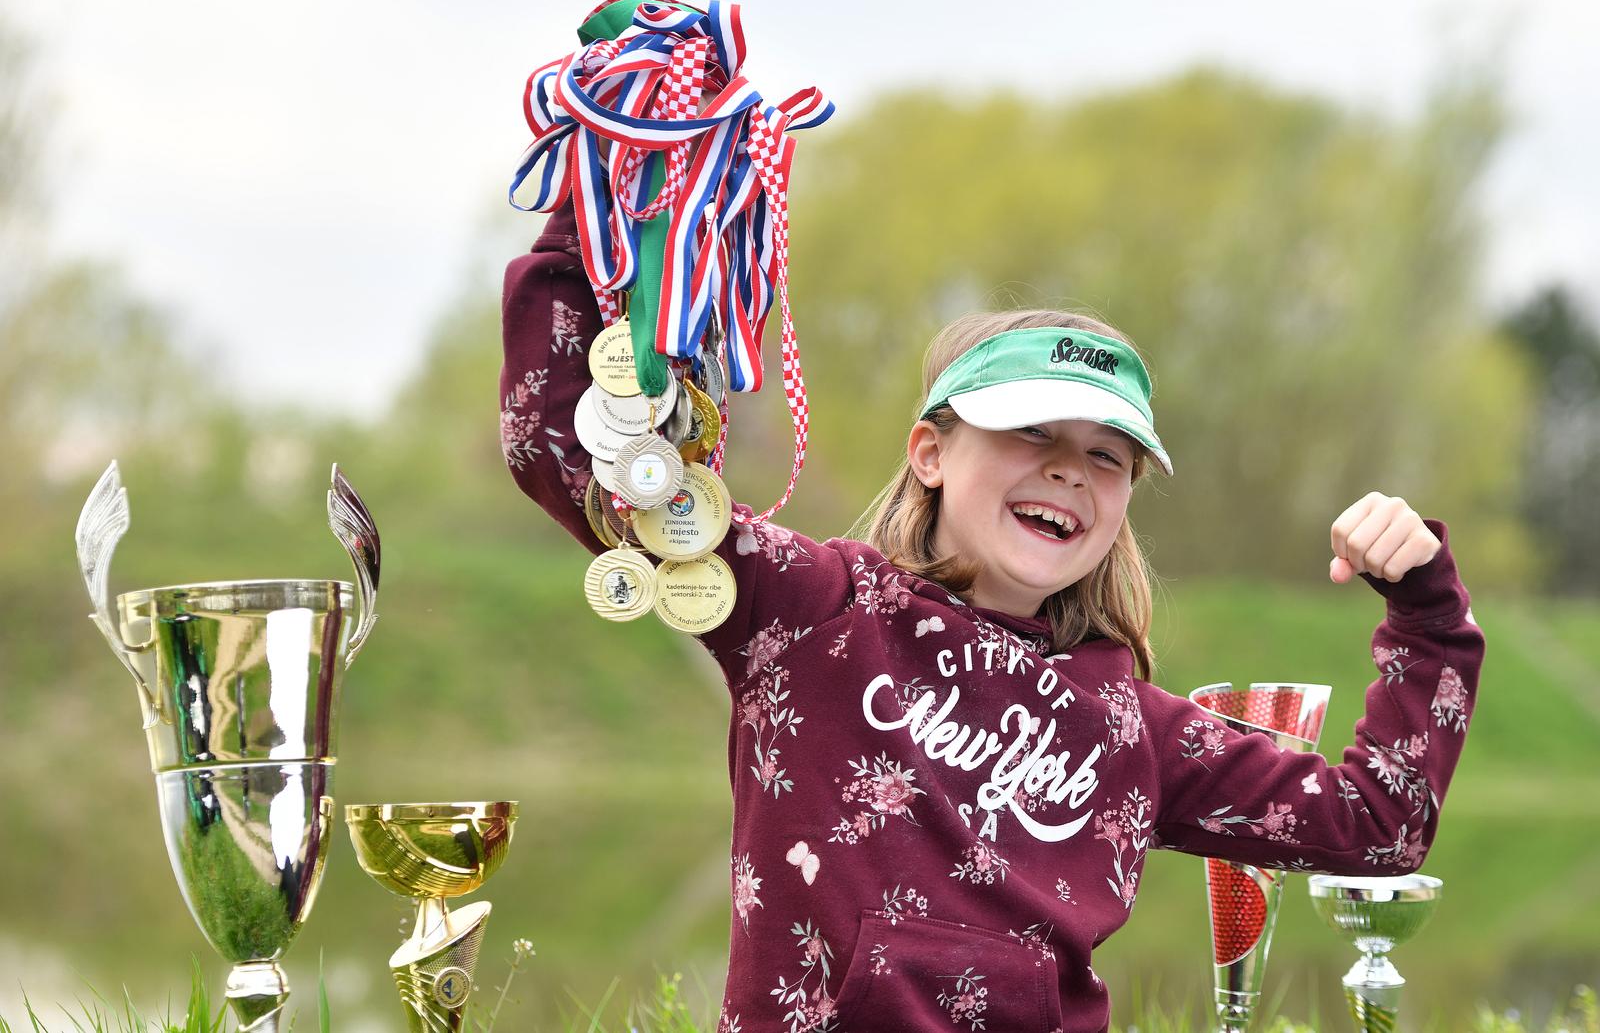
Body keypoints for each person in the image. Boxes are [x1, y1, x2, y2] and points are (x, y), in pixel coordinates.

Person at [500, 200, 1484, 1033]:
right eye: (1029, 432)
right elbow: (562, 449)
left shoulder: (1133, 729)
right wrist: (595, 204)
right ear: (930, 451)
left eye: (1108, 455)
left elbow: (1376, 826)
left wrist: (1426, 608)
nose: (1067, 466)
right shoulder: (809, 611)